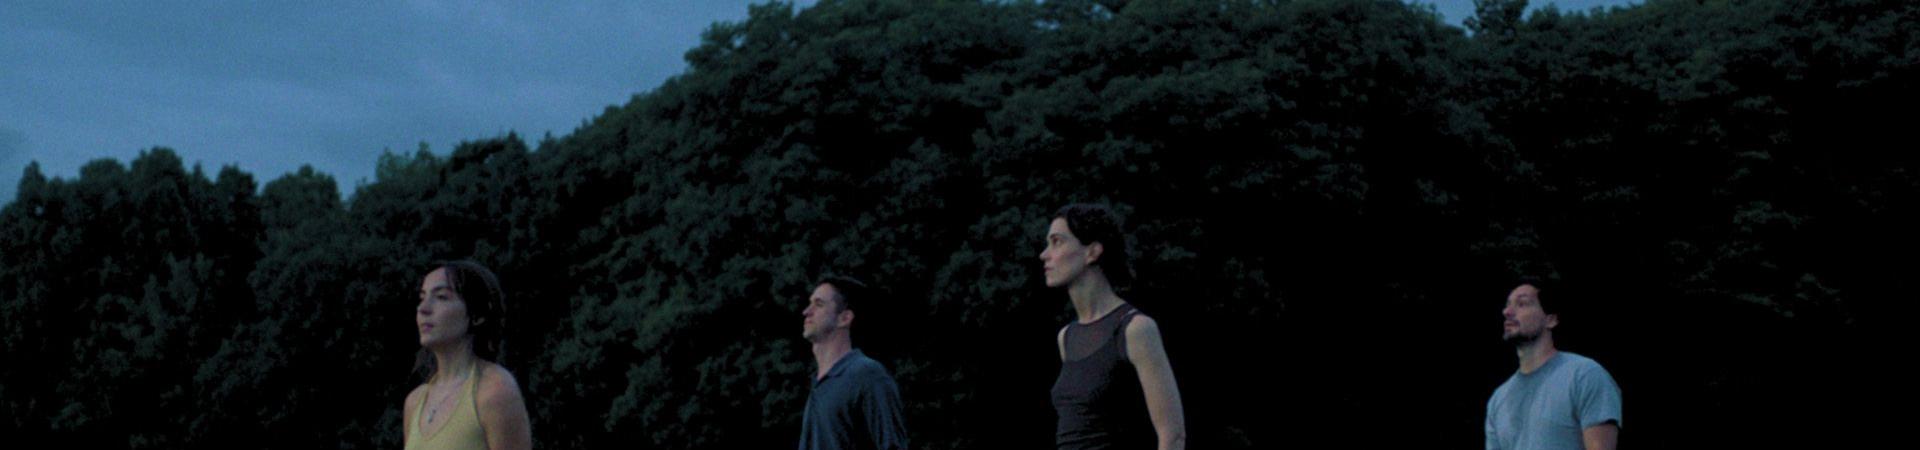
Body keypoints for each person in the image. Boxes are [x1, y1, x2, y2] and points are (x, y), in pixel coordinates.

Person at [1038, 204, 1185, 450]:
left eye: (1057, 242)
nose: (1045, 254)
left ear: (1092, 252)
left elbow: (1173, 437)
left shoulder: (1135, 329)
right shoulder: (1067, 337)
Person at [403, 260, 532, 450]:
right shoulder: (415, 402)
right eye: (422, 298)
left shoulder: (494, 391)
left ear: (477, 315)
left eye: (441, 297)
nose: (423, 309)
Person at [1485, 279, 1622, 450]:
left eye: (1522, 304)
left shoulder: (1584, 375)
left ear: (1550, 320)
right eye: (1507, 305)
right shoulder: (1499, 399)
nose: (1507, 311)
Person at [798, 274, 909, 450]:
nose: (806, 312)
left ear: (845, 318)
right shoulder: (819, 384)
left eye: (819, 304)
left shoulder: (867, 375)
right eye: (810, 303)